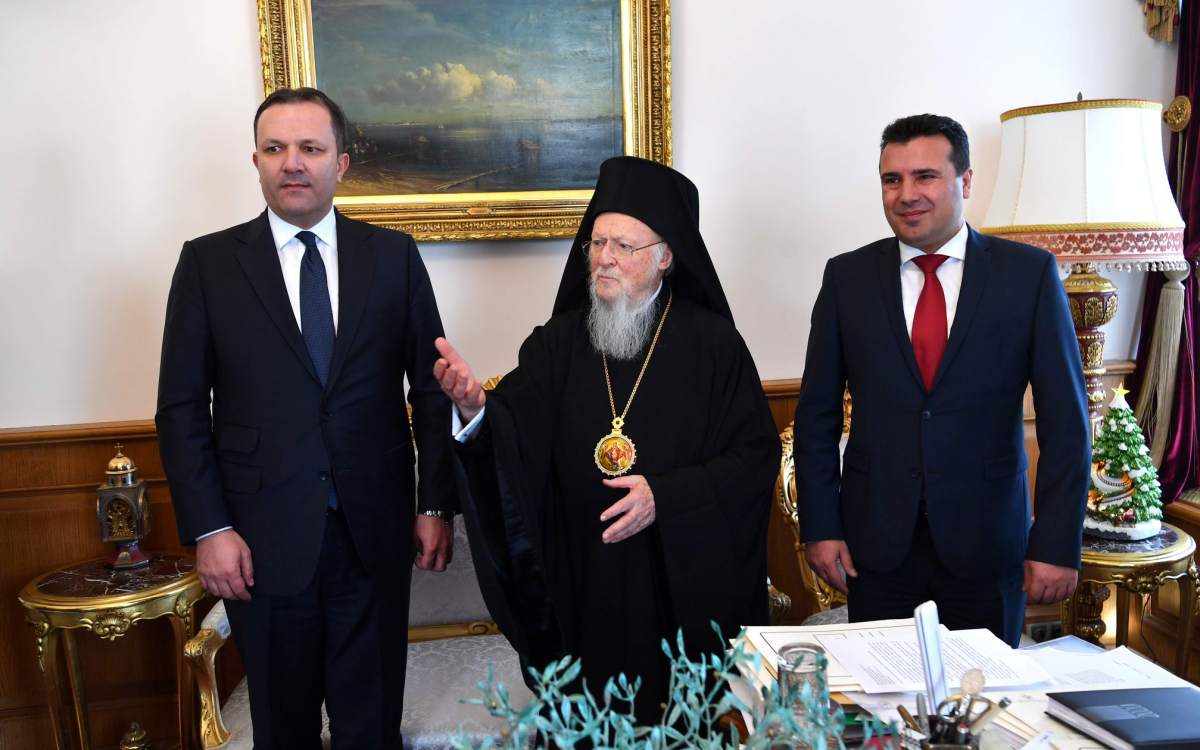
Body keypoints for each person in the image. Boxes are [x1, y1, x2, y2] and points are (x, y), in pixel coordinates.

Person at [156, 87, 455, 749]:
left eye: (310, 148)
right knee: (283, 732)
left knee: (370, 729)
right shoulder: (208, 264)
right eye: (275, 148)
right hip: (258, 545)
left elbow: (431, 394)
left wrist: (435, 504)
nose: (292, 162)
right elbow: (181, 410)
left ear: (341, 163)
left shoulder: (394, 257)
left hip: (374, 536)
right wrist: (210, 528)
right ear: (256, 162)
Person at [434, 156, 779, 721]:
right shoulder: (558, 343)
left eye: (624, 246)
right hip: (582, 586)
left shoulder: (714, 347)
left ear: (666, 258)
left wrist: (664, 496)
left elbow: (754, 458)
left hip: (676, 591)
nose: (604, 258)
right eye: (597, 243)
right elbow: (512, 431)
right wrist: (474, 408)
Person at [793, 114, 1091, 647]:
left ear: (965, 181)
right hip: (875, 549)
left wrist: (1055, 543)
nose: (907, 194)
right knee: (884, 695)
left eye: (925, 176)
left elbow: (1066, 423)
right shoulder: (847, 278)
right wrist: (821, 527)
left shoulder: (1028, 276)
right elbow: (816, 416)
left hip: (988, 545)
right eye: (892, 179)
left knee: (985, 695)